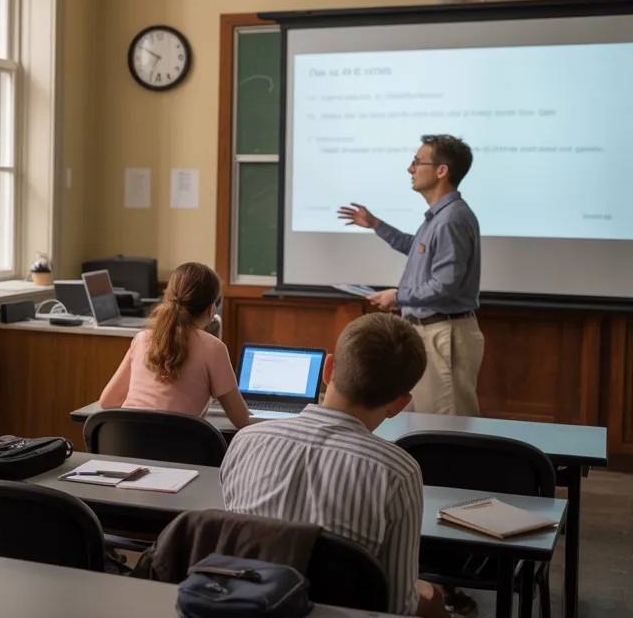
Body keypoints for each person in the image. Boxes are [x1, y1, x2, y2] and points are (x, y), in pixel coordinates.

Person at [219, 314, 448, 618]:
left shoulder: (245, 440)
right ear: (399, 404)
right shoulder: (398, 472)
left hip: (243, 606)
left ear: (327, 369)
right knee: (432, 595)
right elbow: (396, 607)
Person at [337, 134, 484, 416]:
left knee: (445, 425)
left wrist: (398, 297)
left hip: (443, 333)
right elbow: (415, 247)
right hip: (427, 331)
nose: (410, 168)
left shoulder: (452, 218)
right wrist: (376, 224)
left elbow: (446, 285)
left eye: (417, 162)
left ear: (442, 171)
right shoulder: (439, 217)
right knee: (420, 421)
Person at [99, 262, 251, 428]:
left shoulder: (142, 339)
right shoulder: (213, 348)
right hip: (178, 450)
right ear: (211, 307)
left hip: (125, 447)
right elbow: (241, 420)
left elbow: (108, 401)